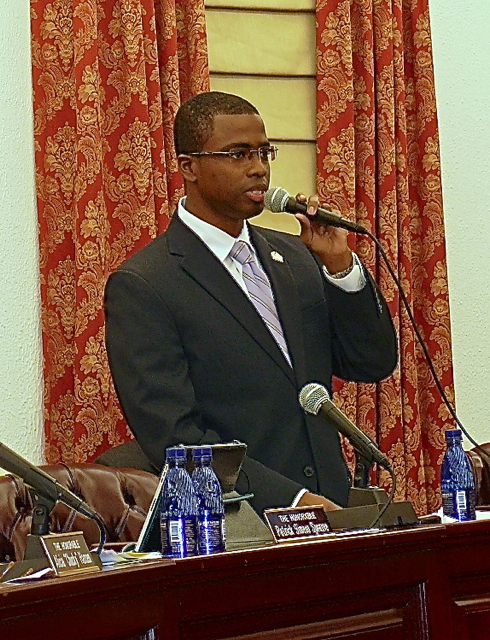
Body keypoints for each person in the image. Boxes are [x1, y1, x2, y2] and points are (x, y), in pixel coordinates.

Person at [104, 91, 397, 515]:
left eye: (264, 152)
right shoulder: (146, 284)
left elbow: (370, 362)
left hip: (331, 512)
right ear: (189, 167)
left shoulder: (296, 256)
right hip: (238, 523)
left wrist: (339, 268)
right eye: (238, 154)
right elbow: (174, 435)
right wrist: (291, 499)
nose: (259, 169)